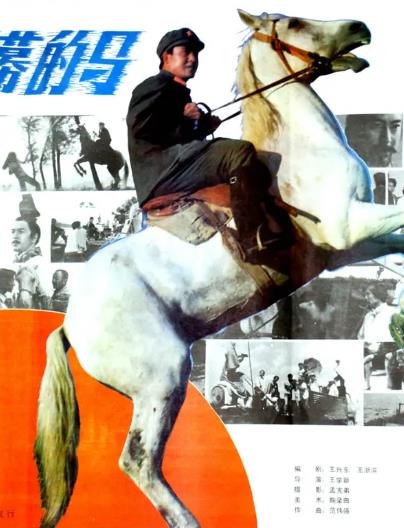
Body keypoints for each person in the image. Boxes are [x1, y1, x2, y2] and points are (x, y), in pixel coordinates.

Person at [126, 27, 290, 263]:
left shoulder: (176, 90)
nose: (192, 58)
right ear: (166, 56)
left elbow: (176, 134)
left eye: (195, 53)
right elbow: (140, 129)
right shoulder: (153, 86)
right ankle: (251, 238)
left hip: (173, 165)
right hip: (162, 171)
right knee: (239, 151)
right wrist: (184, 118)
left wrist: (202, 126)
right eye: (186, 52)